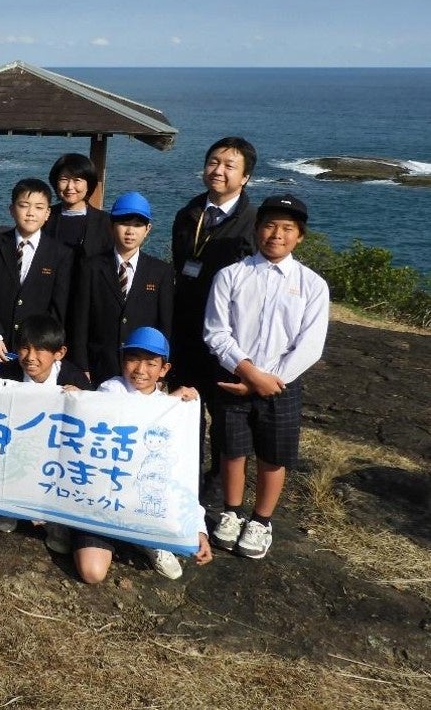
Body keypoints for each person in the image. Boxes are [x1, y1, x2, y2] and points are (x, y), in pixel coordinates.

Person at [204, 194, 330, 560]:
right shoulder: (231, 275)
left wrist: (267, 381)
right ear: (257, 229)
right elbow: (216, 331)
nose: (277, 234)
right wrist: (248, 372)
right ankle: (232, 512)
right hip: (234, 377)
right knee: (232, 449)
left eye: (287, 228)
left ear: (299, 236)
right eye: (270, 225)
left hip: (282, 385)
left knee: (274, 455)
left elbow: (310, 345)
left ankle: (261, 520)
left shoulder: (312, 285)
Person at [66, 328, 213, 584]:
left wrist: (197, 529)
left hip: (141, 503)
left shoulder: (174, 410)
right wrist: (169, 403)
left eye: (151, 363)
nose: (140, 370)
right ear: (123, 360)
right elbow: (129, 414)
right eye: (133, 359)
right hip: (102, 500)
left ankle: (147, 539)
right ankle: (72, 525)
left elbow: (183, 472)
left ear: (164, 369)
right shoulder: (111, 389)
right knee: (92, 572)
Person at [171, 137, 258, 494]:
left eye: (229, 166)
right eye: (213, 162)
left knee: (227, 418)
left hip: (229, 336)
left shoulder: (254, 222)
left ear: (245, 177)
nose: (218, 170)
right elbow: (180, 265)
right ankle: (183, 480)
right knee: (186, 409)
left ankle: (220, 488)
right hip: (186, 330)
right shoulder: (188, 213)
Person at [0, 313, 91, 536]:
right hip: (18, 444)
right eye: (24, 348)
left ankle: (55, 518)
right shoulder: (8, 372)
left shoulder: (74, 377)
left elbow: (93, 421)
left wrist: (83, 400)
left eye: (40, 350)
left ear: (59, 353)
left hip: (56, 451)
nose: (30, 357)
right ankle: (8, 506)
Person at [68, 191, 174, 387]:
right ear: (111, 226)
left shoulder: (161, 271)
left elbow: (164, 324)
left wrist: (160, 374)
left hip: (142, 369)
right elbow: (80, 320)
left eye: (138, 225)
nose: (130, 231)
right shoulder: (91, 267)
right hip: (99, 364)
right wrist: (81, 366)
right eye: (124, 223)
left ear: (148, 229)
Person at [0, 177, 71, 374]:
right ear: (12, 209)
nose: (31, 213)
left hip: (34, 355)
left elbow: (58, 308)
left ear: (48, 213)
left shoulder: (60, 254)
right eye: (24, 205)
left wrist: (36, 344)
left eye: (39, 207)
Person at [43, 152, 113, 267]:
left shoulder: (105, 221)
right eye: (64, 179)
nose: (70, 187)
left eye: (77, 180)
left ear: (88, 185)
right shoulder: (44, 217)